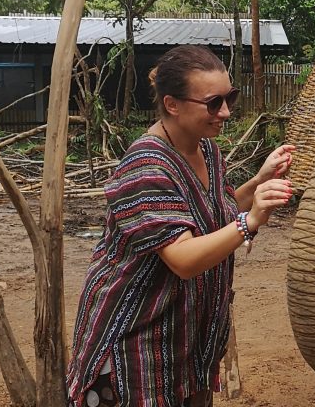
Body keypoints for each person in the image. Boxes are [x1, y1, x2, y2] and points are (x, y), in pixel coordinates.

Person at [66, 45, 295, 407]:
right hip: (136, 344)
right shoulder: (146, 166)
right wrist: (248, 223)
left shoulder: (207, 150)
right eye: (213, 102)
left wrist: (257, 184)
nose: (226, 112)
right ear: (172, 104)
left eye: (230, 98)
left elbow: (213, 215)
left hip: (185, 341)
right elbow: (184, 258)